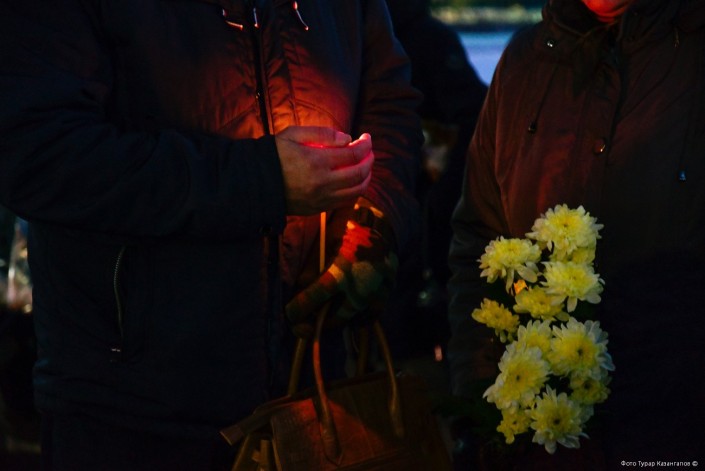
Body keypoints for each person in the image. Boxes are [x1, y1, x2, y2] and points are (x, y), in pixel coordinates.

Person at [0, 1, 423, 470]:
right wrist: (260, 180)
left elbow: (389, 100)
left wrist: (375, 219)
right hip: (132, 406)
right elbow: (38, 154)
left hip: (315, 388)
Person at [447, 0, 705, 469]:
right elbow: (478, 240)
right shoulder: (526, 63)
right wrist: (484, 398)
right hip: (537, 448)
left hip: (673, 436)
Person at [383, 0, 487, 360]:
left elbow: (474, 116)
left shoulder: (426, 39)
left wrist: (441, 189)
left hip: (420, 218)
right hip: (396, 209)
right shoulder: (361, 33)